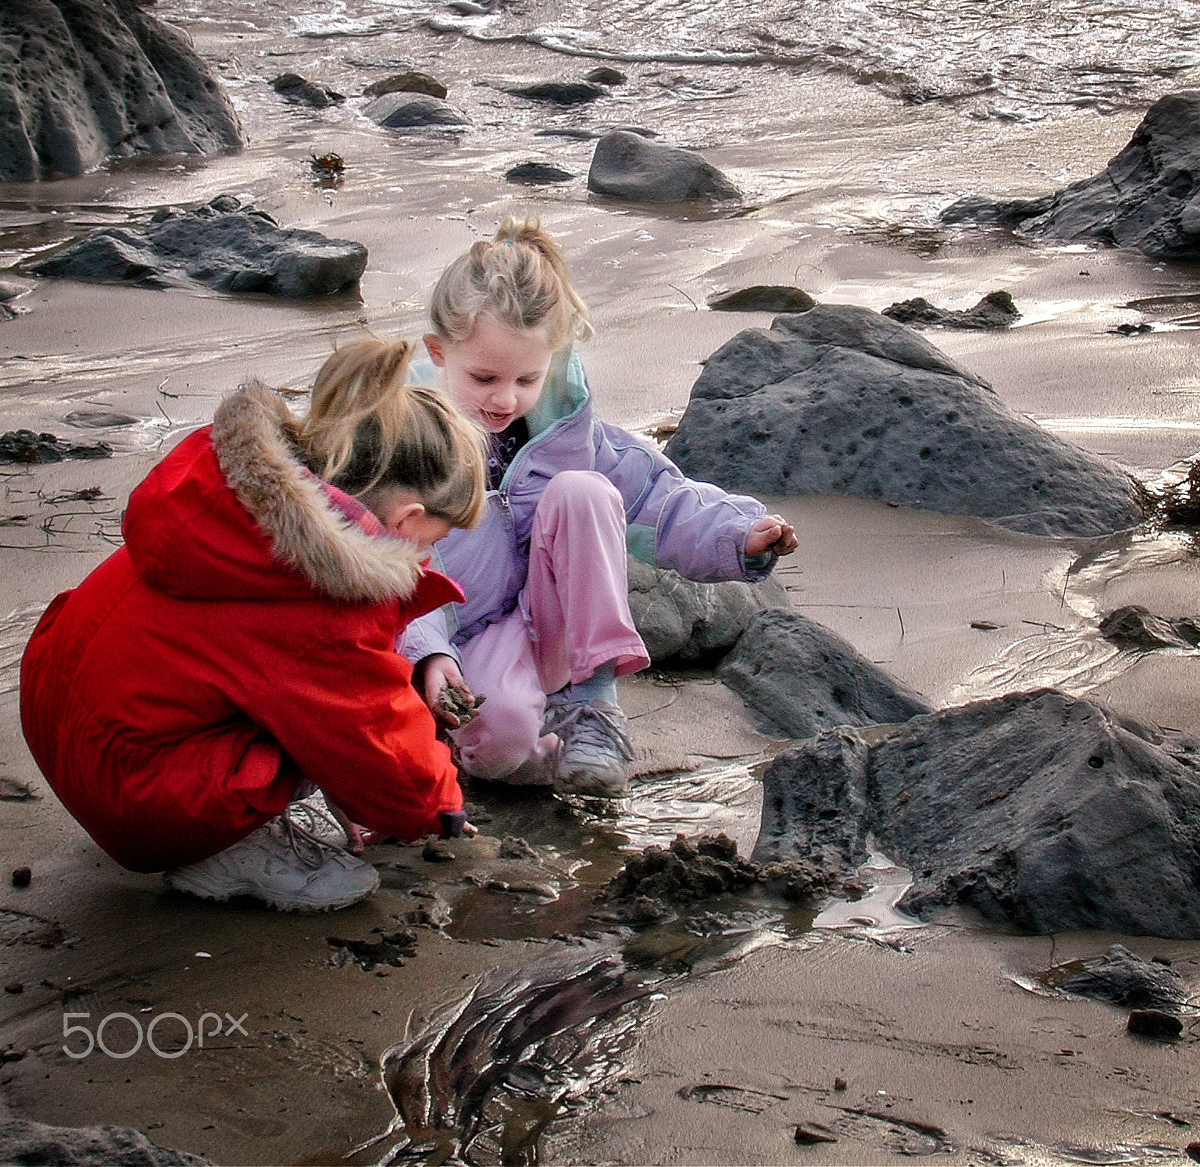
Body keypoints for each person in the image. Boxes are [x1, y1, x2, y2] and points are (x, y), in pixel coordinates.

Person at [20, 337, 487, 913]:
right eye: (432, 543)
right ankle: (223, 853)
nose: (423, 561)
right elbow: (371, 731)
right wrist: (440, 808)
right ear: (407, 518)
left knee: (289, 697)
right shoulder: (323, 600)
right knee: (329, 720)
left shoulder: (239, 497)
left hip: (59, 715)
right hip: (133, 797)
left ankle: (205, 810)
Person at [402, 216, 799, 798]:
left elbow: (656, 497)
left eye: (526, 378)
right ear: (439, 352)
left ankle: (591, 707)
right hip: (453, 638)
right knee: (502, 738)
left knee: (584, 492)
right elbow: (388, 566)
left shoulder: (568, 438)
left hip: (550, 630)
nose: (505, 398)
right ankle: (499, 743)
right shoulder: (405, 444)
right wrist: (428, 655)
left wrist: (739, 535)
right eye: (484, 377)